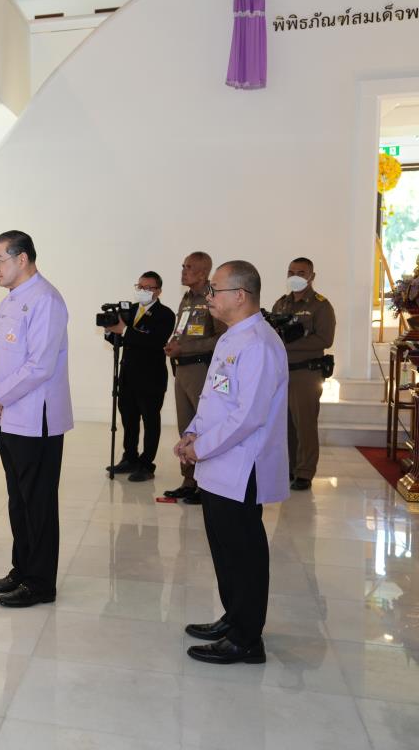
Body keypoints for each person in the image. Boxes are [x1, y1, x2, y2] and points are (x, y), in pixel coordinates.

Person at [174, 260, 287, 664]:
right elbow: (214, 399)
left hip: (242, 465)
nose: (208, 297)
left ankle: (246, 638)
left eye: (214, 290)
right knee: (224, 548)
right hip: (218, 463)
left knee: (243, 552)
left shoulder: (258, 343)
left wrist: (200, 448)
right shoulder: (230, 338)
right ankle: (233, 617)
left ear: (239, 296)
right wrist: (192, 433)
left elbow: (248, 416)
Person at [0, 231, 73, 608]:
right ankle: (22, 569)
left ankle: (40, 583)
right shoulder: (10, 301)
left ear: (22, 259)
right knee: (19, 501)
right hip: (9, 418)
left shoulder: (46, 300)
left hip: (36, 420)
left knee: (38, 504)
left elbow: (39, 366)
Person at [163, 252, 226, 505]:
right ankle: (189, 480)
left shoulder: (213, 297)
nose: (183, 271)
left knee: (204, 428)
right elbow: (183, 330)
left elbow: (221, 338)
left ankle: (206, 484)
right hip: (182, 369)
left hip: (202, 368)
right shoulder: (187, 298)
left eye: (189, 267)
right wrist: (173, 343)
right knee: (186, 427)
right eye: (183, 266)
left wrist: (185, 348)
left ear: (203, 273)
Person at [270, 257, 336, 491]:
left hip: (306, 373)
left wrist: (289, 343)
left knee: (304, 423)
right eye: (291, 272)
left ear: (311, 276)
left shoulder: (321, 305)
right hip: (282, 373)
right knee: (285, 423)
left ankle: (305, 472)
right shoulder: (281, 304)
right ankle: (290, 466)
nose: (295, 276)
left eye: (301, 272)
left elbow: (325, 339)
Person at [103, 272, 176, 481]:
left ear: (158, 291)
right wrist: (110, 330)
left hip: (151, 378)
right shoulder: (131, 310)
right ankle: (130, 457)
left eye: (148, 288)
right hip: (127, 375)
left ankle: (146, 464)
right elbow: (120, 341)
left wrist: (124, 331)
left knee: (150, 421)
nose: (143, 291)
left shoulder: (165, 314)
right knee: (129, 419)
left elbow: (155, 341)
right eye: (140, 286)